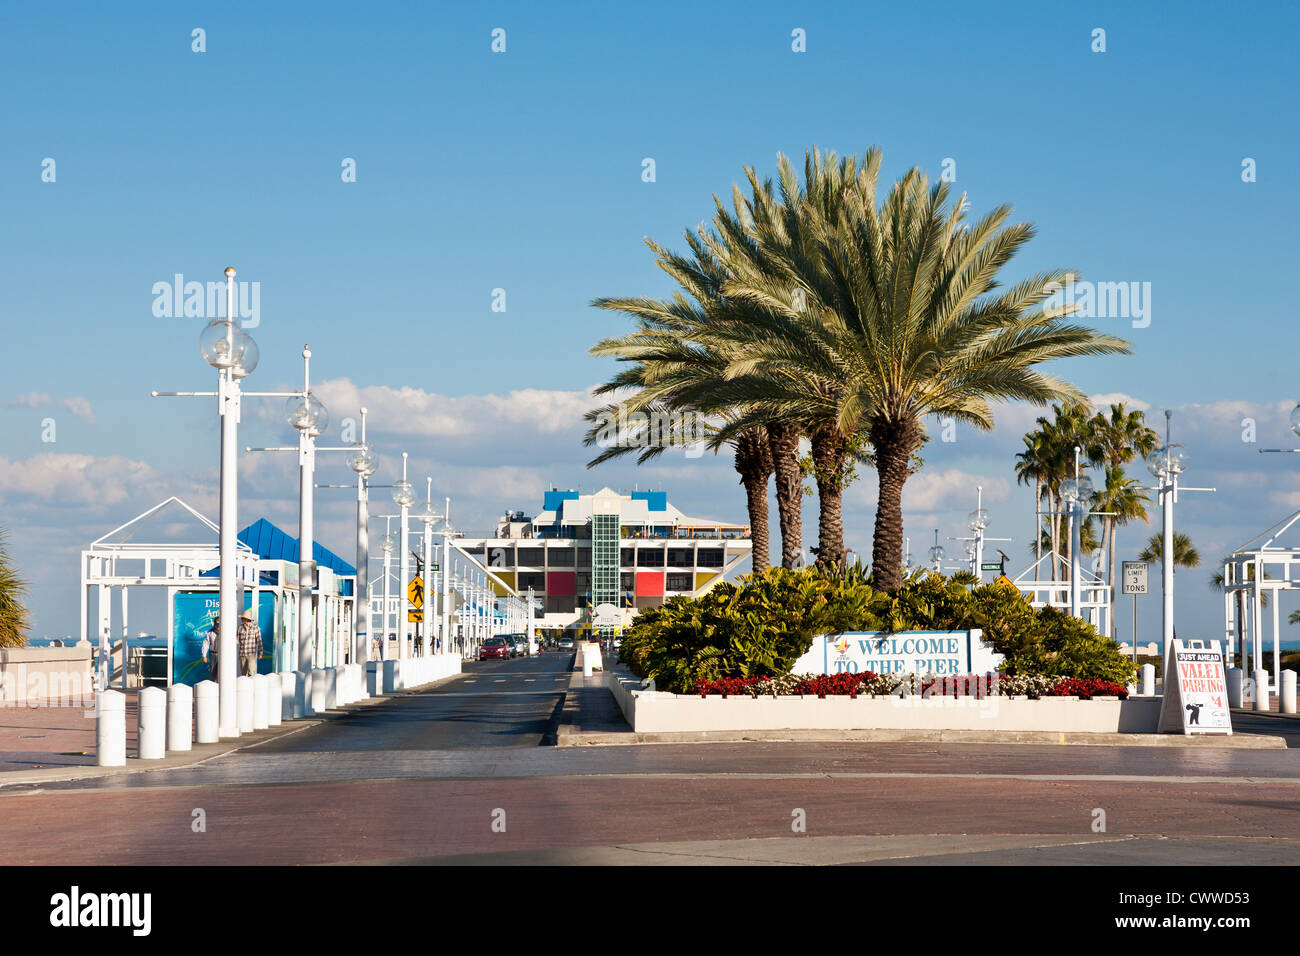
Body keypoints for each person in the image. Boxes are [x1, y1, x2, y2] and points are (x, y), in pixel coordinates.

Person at [237, 608, 262, 676]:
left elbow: (259, 640)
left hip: (251, 653)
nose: (241, 619)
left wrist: (261, 652)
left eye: (242, 618)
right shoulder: (240, 628)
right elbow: (237, 640)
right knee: (243, 674)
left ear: (246, 619)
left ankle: (251, 686)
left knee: (251, 672)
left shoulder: (255, 628)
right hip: (242, 654)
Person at [202, 616, 221, 681]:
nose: (218, 627)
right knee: (213, 672)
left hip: (222, 654)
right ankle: (213, 686)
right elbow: (206, 644)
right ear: (214, 624)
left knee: (221, 672)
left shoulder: (225, 632)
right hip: (212, 654)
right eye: (217, 625)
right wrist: (204, 655)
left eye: (219, 625)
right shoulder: (210, 632)